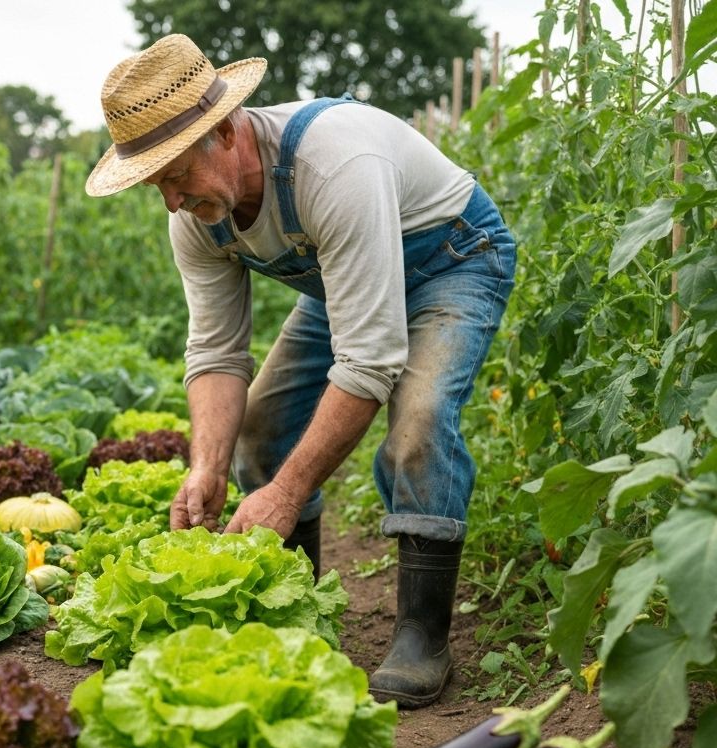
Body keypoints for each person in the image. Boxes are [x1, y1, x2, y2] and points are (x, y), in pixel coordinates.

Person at [85, 34, 516, 708]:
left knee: (419, 423)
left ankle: (423, 635)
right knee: (262, 424)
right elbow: (216, 351)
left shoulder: (332, 164)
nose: (170, 201)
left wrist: (283, 495)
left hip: (452, 257)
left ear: (223, 131)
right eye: (155, 184)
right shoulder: (198, 218)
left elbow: (369, 360)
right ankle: (300, 605)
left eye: (175, 176)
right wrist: (207, 465)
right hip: (342, 277)